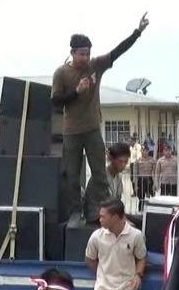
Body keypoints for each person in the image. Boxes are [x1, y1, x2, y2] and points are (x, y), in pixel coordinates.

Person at [51, 13, 149, 226]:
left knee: (99, 174)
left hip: (92, 128)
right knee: (72, 175)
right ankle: (76, 212)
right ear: (72, 52)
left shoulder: (95, 65)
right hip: (72, 131)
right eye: (82, 54)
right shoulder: (61, 73)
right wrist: (76, 92)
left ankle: (106, 211)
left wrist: (137, 33)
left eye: (88, 53)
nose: (85, 58)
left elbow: (117, 52)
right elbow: (56, 101)